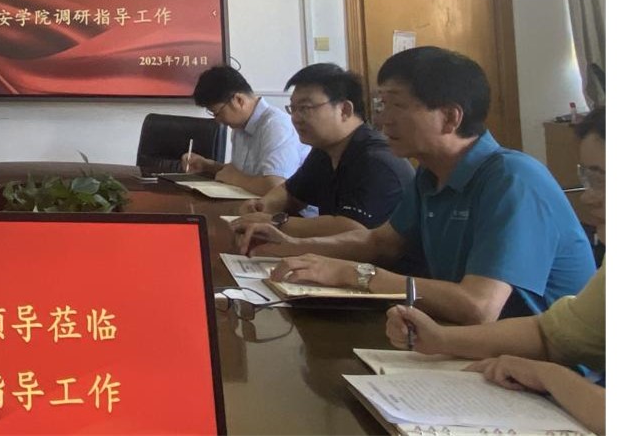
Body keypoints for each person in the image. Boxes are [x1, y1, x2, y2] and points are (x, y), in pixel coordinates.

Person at [240, 47, 594, 324]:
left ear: (450, 117)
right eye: (380, 104)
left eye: (395, 105)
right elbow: (379, 242)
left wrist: (355, 274)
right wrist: (292, 247)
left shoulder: (513, 179)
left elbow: (479, 306)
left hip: (547, 372)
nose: (381, 118)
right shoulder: (430, 174)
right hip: (470, 346)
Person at [383, 107, 605, 435]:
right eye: (588, 177)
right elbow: (551, 334)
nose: (588, 197)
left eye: (601, 179)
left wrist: (548, 376)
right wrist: (441, 339)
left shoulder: (513, 176)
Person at [233, 64, 413, 239]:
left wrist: (274, 221)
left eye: (305, 108)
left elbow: (352, 228)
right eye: (293, 109)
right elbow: (291, 193)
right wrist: (262, 206)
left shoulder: (376, 161)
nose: (295, 118)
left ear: (344, 110)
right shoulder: (325, 150)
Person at [182, 65, 310, 195]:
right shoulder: (239, 126)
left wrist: (235, 179)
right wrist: (208, 166)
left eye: (217, 113)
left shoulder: (276, 126)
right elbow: (243, 174)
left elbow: (275, 186)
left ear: (239, 100)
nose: (217, 120)